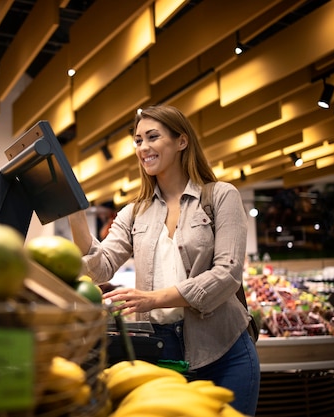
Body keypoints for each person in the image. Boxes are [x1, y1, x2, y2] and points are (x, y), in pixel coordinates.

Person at [67, 104, 260, 415]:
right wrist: (74, 212)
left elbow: (227, 274)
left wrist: (153, 299)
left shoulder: (220, 196)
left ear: (181, 141)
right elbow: (100, 266)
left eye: (152, 137)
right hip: (159, 352)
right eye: (138, 140)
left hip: (224, 351)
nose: (143, 147)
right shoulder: (135, 211)